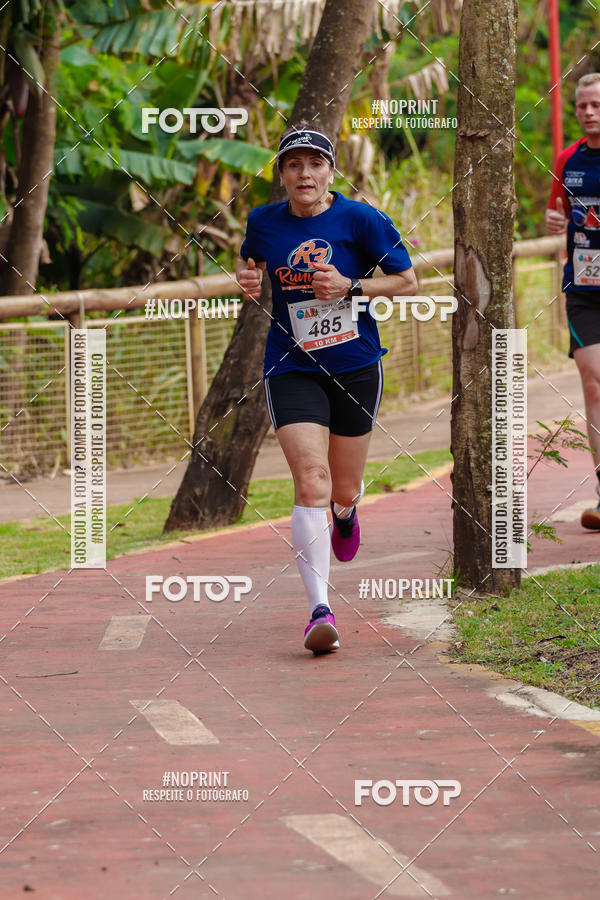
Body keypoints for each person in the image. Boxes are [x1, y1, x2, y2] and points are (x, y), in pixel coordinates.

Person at [236, 122, 417, 653]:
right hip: (291, 366)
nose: (305, 174)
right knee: (312, 479)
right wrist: (248, 279)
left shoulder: (361, 219)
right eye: (294, 165)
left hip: (355, 366)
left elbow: (408, 282)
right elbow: (252, 261)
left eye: (315, 164)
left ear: (330, 172)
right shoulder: (263, 220)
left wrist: (351, 285)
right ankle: (320, 608)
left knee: (342, 488)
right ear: (282, 175)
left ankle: (345, 512)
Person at [546, 73, 600, 529]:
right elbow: (558, 213)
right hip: (584, 289)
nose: (588, 112)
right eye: (582, 105)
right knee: (595, 385)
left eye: (596, 105)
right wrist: (553, 222)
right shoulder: (567, 160)